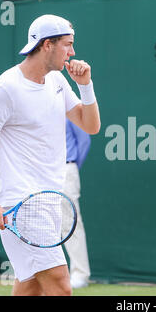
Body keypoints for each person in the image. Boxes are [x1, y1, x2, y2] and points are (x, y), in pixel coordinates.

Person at [0, 14, 101, 296]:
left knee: (30, 290)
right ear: (47, 45)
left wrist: (85, 85)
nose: (73, 52)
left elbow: (91, 125)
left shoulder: (58, 82)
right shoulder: (5, 87)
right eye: (68, 44)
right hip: (21, 205)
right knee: (61, 287)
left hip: (49, 201)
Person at [63, 119, 91, 288]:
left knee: (71, 223)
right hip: (43, 172)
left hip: (66, 169)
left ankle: (80, 274)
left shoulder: (69, 107)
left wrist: (71, 166)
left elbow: (84, 140)